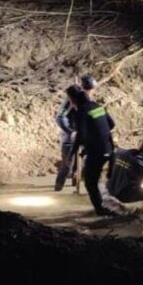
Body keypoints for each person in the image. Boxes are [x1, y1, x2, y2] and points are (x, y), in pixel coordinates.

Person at [68, 85, 117, 216]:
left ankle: (101, 211)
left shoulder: (81, 112)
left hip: (97, 152)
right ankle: (105, 204)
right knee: (98, 178)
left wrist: (73, 153)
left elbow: (81, 136)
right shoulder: (98, 106)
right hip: (109, 149)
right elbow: (112, 124)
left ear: (73, 100)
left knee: (90, 182)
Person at [54, 85, 81, 191]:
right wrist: (71, 131)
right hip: (69, 138)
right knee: (67, 162)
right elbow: (60, 117)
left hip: (80, 135)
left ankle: (75, 180)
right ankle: (59, 184)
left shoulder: (82, 101)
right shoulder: (68, 103)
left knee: (78, 162)